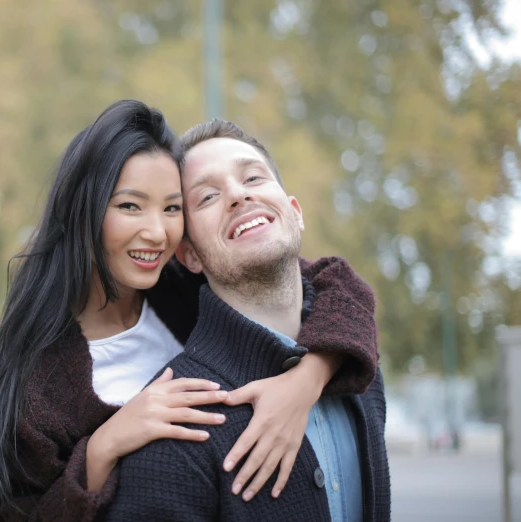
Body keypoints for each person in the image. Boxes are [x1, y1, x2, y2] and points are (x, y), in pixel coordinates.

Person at [0, 101, 380, 522]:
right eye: (130, 206)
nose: (157, 232)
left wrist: (305, 382)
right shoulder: (38, 384)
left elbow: (339, 288)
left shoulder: (187, 286)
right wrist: (103, 447)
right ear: (83, 212)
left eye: (172, 208)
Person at [106, 120, 390, 522]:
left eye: (253, 177)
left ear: (295, 212)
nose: (239, 195)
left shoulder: (358, 369)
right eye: (207, 196)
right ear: (190, 256)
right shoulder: (176, 426)